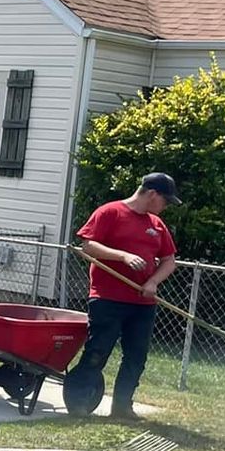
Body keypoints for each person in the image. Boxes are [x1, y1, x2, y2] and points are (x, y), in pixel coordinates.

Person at [62, 172, 181, 422]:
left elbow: (169, 261)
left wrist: (153, 281)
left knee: (136, 356)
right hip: (108, 299)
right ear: (152, 194)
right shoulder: (110, 212)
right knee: (98, 351)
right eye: (165, 201)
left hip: (143, 303)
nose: (166, 207)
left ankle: (122, 407)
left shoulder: (156, 225)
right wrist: (123, 256)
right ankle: (78, 404)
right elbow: (88, 246)